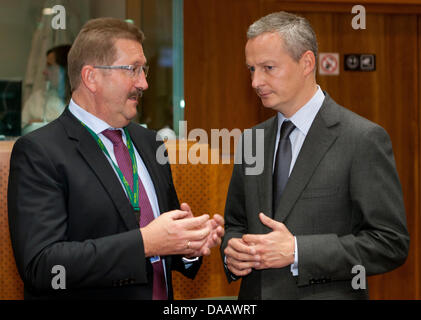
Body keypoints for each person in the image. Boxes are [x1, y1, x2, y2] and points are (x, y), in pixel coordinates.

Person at [8, 17, 224, 300]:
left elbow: (163, 246)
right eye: (133, 70)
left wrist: (188, 245)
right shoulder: (39, 152)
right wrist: (145, 243)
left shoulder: (149, 143)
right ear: (91, 77)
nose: (144, 83)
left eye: (143, 70)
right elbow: (44, 266)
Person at [220, 11, 409, 300]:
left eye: (268, 68)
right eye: (251, 69)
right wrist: (232, 251)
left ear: (307, 62)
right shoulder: (252, 140)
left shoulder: (362, 139)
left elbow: (389, 243)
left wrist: (298, 251)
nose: (256, 81)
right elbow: (236, 224)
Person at [21, 45, 71, 132]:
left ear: (66, 69)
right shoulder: (36, 99)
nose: (44, 72)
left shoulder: (84, 102)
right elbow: (21, 130)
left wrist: (42, 124)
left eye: (50, 66)